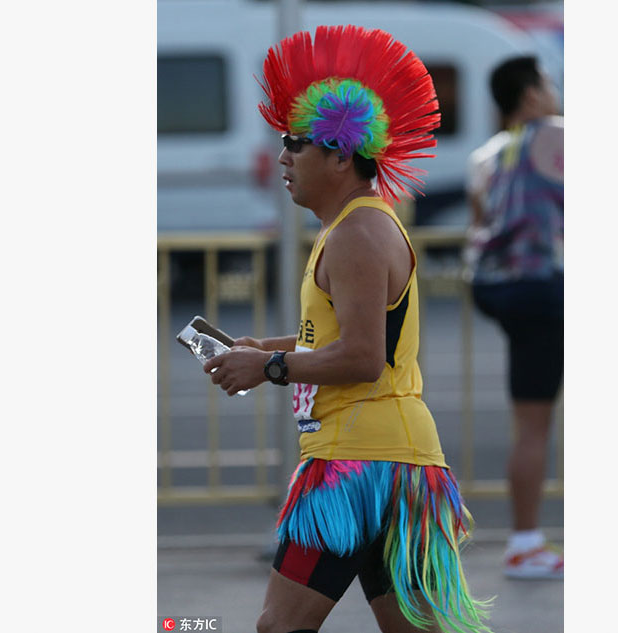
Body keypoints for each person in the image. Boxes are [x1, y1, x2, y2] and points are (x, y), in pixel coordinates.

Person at [203, 25, 492, 633]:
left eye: (296, 144)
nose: (283, 158)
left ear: (340, 154)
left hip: (358, 466)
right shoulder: (352, 227)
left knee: (278, 627)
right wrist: (267, 347)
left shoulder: (360, 232)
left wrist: (270, 369)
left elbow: (362, 358)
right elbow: (352, 339)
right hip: (391, 464)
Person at [465, 56, 564, 580]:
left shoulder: (489, 153)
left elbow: (480, 217)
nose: (555, 93)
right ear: (529, 96)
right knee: (536, 425)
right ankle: (525, 545)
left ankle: (526, 541)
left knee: (529, 422)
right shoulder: (554, 136)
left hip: (498, 287)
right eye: (548, 84)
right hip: (543, 288)